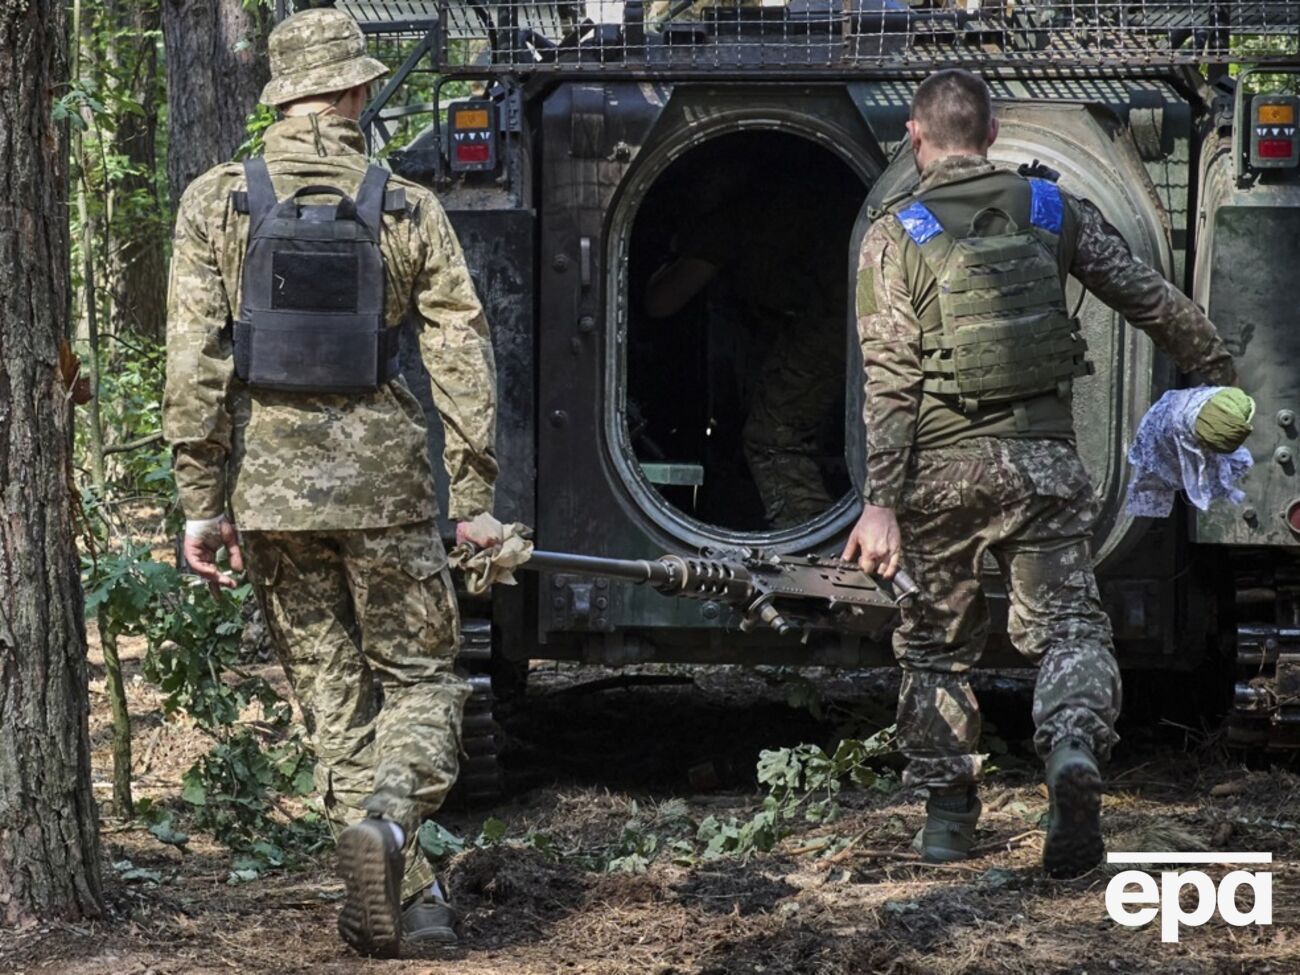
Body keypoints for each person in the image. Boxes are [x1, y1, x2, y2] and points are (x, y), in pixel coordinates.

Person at [162, 8, 499, 958]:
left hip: (267, 492)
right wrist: (471, 496)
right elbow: (464, 358)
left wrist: (199, 497)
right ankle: (394, 827)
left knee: (332, 696)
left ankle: (414, 895)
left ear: (283, 96)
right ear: (354, 92)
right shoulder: (408, 205)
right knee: (424, 681)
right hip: (388, 488)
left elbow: (192, 365)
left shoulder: (215, 202)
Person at [841, 68, 1236, 878]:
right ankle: (1071, 751)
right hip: (1042, 467)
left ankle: (949, 817)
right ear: (990, 136)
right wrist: (1212, 365)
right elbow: (1147, 297)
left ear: (916, 138)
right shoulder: (1052, 208)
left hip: (936, 478)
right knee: (1069, 629)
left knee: (934, 650)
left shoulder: (893, 234)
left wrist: (880, 502)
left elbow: (890, 384)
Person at [644, 185, 851, 528]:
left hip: (830, 320)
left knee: (773, 441)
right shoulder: (786, 205)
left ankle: (812, 544)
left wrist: (667, 259)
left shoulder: (730, 219)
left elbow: (662, 302)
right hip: (841, 313)